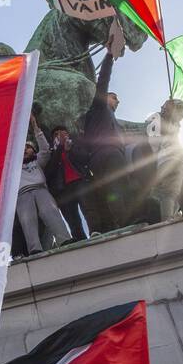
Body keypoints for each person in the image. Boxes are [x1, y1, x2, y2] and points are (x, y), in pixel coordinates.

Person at [78, 39, 124, 235]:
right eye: (114, 97)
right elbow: (103, 79)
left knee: (113, 191)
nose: (117, 101)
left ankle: (115, 225)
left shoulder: (114, 121)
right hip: (106, 156)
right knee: (118, 190)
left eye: (118, 100)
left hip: (104, 158)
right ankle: (123, 224)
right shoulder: (99, 106)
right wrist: (109, 55)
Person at [15, 114, 71, 257]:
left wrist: (35, 126)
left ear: (33, 151)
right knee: (27, 220)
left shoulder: (38, 161)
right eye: (22, 148)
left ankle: (64, 240)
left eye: (28, 147)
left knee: (51, 213)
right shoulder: (13, 167)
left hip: (41, 190)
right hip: (22, 194)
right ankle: (34, 248)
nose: (25, 150)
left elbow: (45, 149)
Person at [146, 99, 183, 222]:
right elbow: (153, 139)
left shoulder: (175, 125)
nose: (180, 115)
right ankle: (167, 221)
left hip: (181, 162)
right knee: (171, 189)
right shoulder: (156, 119)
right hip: (167, 159)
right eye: (177, 110)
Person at [44, 125, 88, 242]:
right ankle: (80, 240)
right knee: (72, 218)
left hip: (80, 182)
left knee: (88, 209)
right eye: (56, 134)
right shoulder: (51, 153)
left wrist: (70, 149)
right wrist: (59, 149)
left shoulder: (75, 145)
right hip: (63, 189)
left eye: (63, 133)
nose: (60, 136)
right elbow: (49, 172)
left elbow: (85, 158)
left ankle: (95, 231)